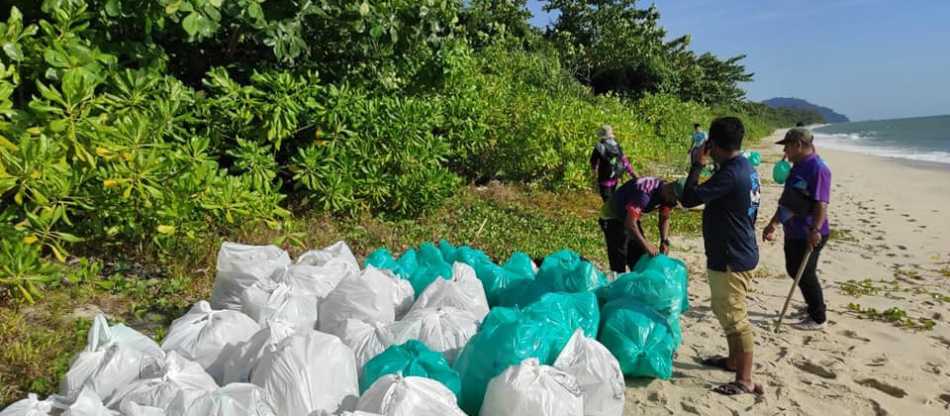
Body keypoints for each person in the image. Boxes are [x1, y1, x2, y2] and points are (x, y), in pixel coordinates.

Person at [679, 117, 763, 396]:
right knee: (724, 310)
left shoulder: (730, 174)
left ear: (712, 143)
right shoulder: (744, 167)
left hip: (732, 255)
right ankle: (732, 361)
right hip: (737, 250)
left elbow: (689, 198)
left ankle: (745, 379)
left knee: (735, 316)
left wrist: (697, 164)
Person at [763, 128, 831, 331]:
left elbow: (821, 203)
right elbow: (788, 201)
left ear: (799, 145)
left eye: (787, 146)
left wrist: (815, 230)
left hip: (809, 232)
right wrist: (773, 223)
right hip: (793, 230)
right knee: (794, 269)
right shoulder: (797, 166)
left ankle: (818, 317)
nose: (785, 151)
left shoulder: (818, 169)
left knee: (805, 273)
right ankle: (812, 306)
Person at [597, 177, 680, 273]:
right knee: (619, 258)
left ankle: (635, 283)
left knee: (639, 257)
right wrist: (647, 245)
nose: (674, 204)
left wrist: (664, 240)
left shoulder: (667, 195)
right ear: (670, 191)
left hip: (629, 216)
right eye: (675, 201)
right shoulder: (644, 193)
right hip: (612, 217)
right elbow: (630, 224)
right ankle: (618, 283)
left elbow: (664, 217)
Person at [590, 125, 637, 202]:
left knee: (607, 201)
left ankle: (609, 212)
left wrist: (594, 176)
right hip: (615, 178)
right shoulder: (616, 145)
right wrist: (634, 175)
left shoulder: (599, 147)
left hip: (604, 179)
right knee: (612, 198)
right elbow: (625, 161)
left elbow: (593, 162)